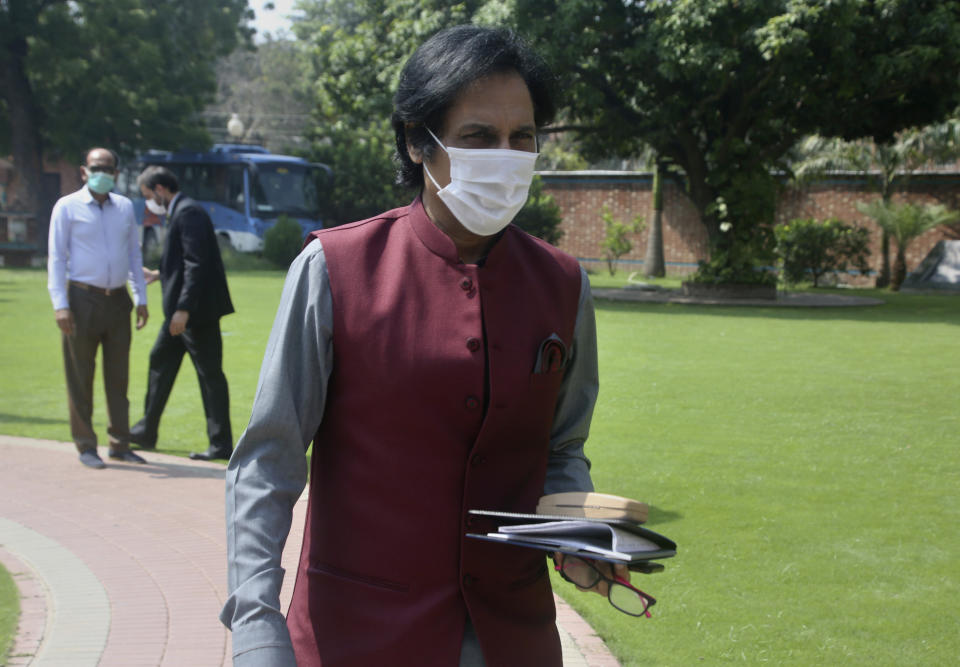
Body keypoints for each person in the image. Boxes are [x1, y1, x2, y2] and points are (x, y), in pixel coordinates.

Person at [221, 26, 627, 666]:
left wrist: (577, 544)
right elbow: (267, 461)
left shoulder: (563, 285)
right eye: (478, 137)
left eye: (522, 137)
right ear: (417, 141)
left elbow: (559, 449)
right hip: (358, 633)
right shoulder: (336, 269)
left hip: (512, 638)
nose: (506, 154)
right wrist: (254, 624)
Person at [47, 147, 150, 469]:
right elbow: (57, 258)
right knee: (81, 376)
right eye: (95, 167)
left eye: (107, 167)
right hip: (81, 299)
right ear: (83, 171)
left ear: (116, 173)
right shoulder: (67, 207)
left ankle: (119, 442)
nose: (100, 172)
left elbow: (134, 255)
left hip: (118, 299)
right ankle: (85, 444)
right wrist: (60, 305)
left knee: (118, 377)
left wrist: (142, 297)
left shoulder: (123, 208)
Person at [130, 166, 235, 461]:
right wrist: (160, 273)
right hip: (183, 314)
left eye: (149, 196)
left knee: (210, 376)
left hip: (193, 315)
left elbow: (196, 264)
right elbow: (183, 262)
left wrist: (183, 309)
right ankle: (146, 431)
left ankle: (220, 444)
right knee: (159, 362)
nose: (149, 202)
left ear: (161, 189)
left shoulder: (188, 212)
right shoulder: (183, 211)